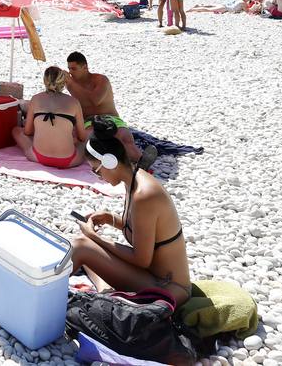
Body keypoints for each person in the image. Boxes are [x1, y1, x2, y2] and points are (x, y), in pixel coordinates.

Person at [70, 116, 192, 306]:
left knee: (81, 246)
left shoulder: (144, 195)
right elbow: (147, 232)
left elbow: (141, 259)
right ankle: (106, 291)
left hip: (169, 289)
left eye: (97, 170)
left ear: (110, 162)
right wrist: (110, 218)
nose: (98, 176)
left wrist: (95, 237)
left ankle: (39, 291)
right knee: (85, 247)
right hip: (152, 276)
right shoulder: (135, 179)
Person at [64, 51, 141, 162]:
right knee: (85, 140)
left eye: (74, 69)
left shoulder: (101, 80)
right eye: (69, 69)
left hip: (110, 117)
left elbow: (95, 101)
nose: (70, 73)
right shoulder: (70, 83)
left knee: (124, 138)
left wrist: (71, 83)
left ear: (85, 67)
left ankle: (141, 161)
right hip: (88, 121)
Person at [13, 66, 88, 168]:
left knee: (16, 131)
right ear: (63, 81)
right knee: (87, 135)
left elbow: (28, 132)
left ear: (45, 81)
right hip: (69, 160)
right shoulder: (74, 102)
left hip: (39, 156)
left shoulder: (36, 99)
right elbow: (82, 137)